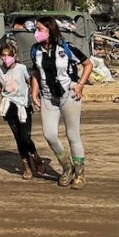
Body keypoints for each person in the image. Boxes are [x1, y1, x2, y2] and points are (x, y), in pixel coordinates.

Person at [29, 16, 93, 189]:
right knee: (49, 134)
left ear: (50, 30)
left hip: (68, 96)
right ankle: (67, 167)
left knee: (73, 135)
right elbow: (35, 72)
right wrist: (34, 92)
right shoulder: (35, 50)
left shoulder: (66, 48)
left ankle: (80, 174)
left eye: (40, 29)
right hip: (48, 97)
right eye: (36, 29)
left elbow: (88, 64)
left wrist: (80, 85)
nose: (37, 33)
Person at [0, 42, 43, 179]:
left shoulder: (22, 68)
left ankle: (35, 156)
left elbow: (30, 81)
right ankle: (26, 166)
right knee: (18, 137)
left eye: (8, 55)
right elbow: (0, 89)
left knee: (25, 137)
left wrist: (34, 97)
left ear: (15, 56)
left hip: (23, 105)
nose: (6, 58)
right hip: (9, 106)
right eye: (3, 55)